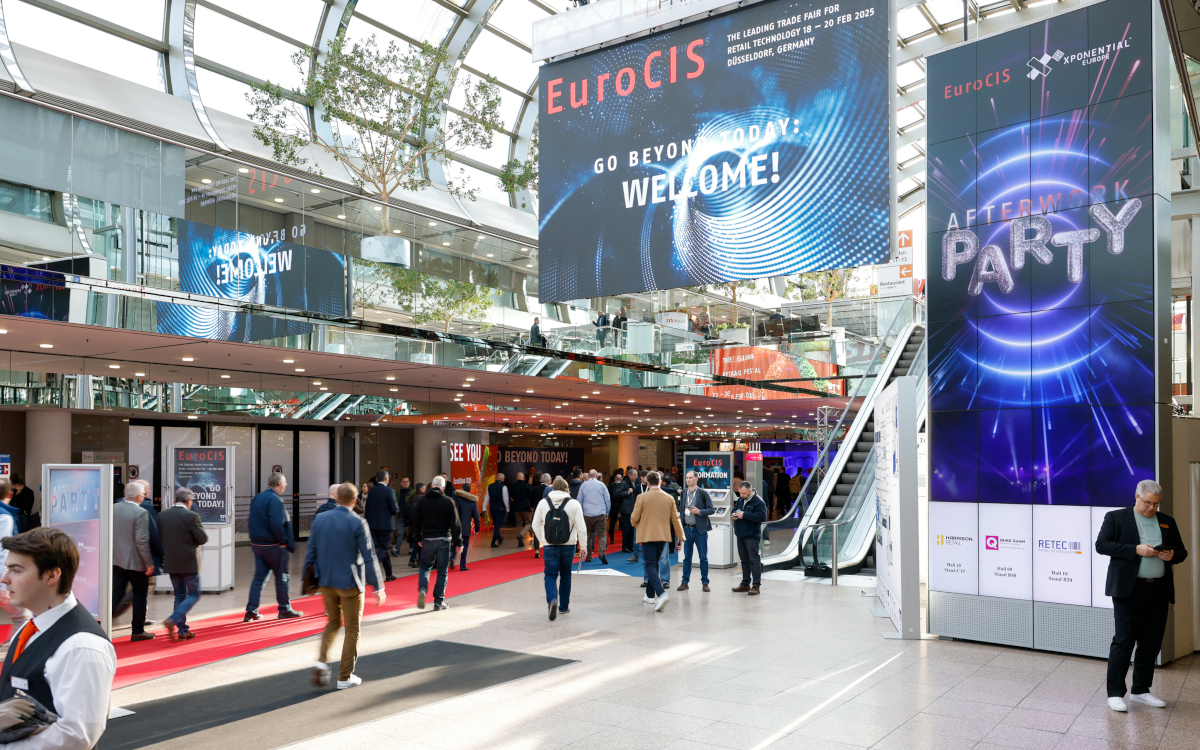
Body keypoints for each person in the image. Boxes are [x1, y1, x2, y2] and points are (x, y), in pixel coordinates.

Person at [0, 527, 116, 750]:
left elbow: (76, 736)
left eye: (16, 570)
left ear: (52, 575)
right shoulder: (33, 625)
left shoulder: (81, 646)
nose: (5, 579)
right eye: (7, 569)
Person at [1096, 479, 1189, 712]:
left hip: (1158, 590)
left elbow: (1181, 551)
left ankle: (1141, 690)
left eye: (1156, 504)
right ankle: (1115, 693)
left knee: (1151, 642)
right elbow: (1102, 545)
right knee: (1124, 641)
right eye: (1147, 503)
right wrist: (1134, 549)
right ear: (1136, 497)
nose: (1151, 508)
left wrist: (1172, 555)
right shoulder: (1116, 517)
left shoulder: (1167, 521)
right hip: (1129, 590)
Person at [306, 482, 386, 690]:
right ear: (354, 500)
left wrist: (310, 581)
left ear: (336, 498)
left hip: (326, 581)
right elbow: (369, 557)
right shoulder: (358, 522)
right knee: (352, 630)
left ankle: (321, 662)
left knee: (333, 622)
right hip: (350, 584)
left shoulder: (320, 519)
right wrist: (378, 587)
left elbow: (311, 552)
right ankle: (345, 676)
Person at [244, 472, 302, 621]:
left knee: (259, 578)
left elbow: (251, 520)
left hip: (257, 544)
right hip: (273, 545)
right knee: (282, 577)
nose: (286, 485)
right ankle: (284, 609)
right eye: (285, 482)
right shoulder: (275, 500)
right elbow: (277, 524)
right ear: (278, 484)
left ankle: (251, 610)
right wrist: (283, 541)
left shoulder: (258, 497)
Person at [158, 487, 209, 642]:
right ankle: (174, 620)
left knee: (179, 595)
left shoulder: (162, 516)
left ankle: (182, 630)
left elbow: (160, 538)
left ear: (175, 499)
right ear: (189, 501)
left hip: (172, 562)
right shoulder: (192, 516)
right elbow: (203, 539)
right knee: (194, 594)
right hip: (189, 563)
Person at [532, 477, 586, 620]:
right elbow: (581, 527)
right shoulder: (574, 503)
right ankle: (563, 607)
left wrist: (543, 540)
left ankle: (552, 600)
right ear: (566, 487)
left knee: (550, 575)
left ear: (553, 487)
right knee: (566, 575)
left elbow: (535, 525)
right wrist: (584, 546)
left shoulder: (543, 503)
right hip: (569, 546)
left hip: (550, 546)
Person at [631, 472, 684, 612]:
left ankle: (661, 594)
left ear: (647, 482)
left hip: (647, 535)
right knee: (654, 564)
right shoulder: (668, 497)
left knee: (650, 565)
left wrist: (638, 522)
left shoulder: (642, 497)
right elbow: (676, 519)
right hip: (663, 535)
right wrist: (681, 538)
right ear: (661, 482)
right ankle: (649, 595)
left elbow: (634, 518)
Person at [110, 483, 155, 641]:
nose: (144, 496)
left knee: (116, 593)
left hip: (116, 559)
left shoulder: (113, 508)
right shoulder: (140, 512)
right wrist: (148, 562)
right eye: (143, 493)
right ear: (138, 496)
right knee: (140, 594)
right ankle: (137, 631)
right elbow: (141, 541)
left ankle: (101, 626)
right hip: (136, 562)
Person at [414, 476, 461, 611]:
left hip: (427, 538)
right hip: (444, 539)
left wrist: (418, 538)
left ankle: (423, 590)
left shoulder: (422, 501)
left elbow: (416, 521)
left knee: (425, 567)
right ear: (443, 487)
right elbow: (455, 523)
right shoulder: (448, 501)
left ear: (431, 486)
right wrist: (459, 541)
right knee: (442, 571)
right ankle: (439, 602)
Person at [0, 478, 31, 636]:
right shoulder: (5, 517)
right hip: (1, 578)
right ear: (10, 494)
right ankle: (17, 655)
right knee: (22, 617)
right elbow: (3, 551)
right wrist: (3, 586)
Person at [678, 471, 715, 592]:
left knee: (703, 557)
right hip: (687, 529)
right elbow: (682, 509)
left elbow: (711, 509)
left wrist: (699, 511)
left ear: (696, 479)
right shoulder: (684, 493)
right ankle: (685, 582)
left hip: (700, 530)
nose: (688, 480)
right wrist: (681, 528)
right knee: (687, 557)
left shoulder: (703, 493)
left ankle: (705, 583)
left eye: (690, 478)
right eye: (687, 478)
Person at [732, 480, 768, 595]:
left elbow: (762, 517)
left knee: (754, 561)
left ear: (750, 491)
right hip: (740, 534)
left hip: (752, 536)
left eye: (743, 493)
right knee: (744, 560)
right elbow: (735, 509)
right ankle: (745, 583)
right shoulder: (740, 499)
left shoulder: (758, 502)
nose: (741, 496)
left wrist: (744, 514)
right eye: (740, 493)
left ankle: (756, 585)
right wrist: (734, 515)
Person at [363, 470, 399, 583]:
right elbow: (395, 509)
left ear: (377, 479)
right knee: (383, 549)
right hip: (386, 525)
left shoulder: (371, 492)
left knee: (381, 549)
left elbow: (367, 509)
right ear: (387, 479)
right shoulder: (389, 491)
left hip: (373, 525)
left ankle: (389, 574)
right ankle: (370, 573)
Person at [577, 470, 610, 564]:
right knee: (602, 535)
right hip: (600, 513)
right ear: (596, 475)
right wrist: (607, 512)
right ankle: (602, 553)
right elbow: (607, 499)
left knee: (588, 535)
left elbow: (579, 499)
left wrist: (581, 512)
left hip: (587, 514)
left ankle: (588, 556)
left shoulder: (583, 485)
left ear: (588, 476)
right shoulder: (602, 485)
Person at [452, 483, 480, 571]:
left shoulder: (456, 498)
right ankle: (462, 565)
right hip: (465, 527)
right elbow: (476, 517)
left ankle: (452, 557)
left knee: (455, 543)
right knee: (465, 545)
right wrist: (477, 528)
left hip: (455, 526)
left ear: (462, 489)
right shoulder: (473, 502)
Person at [626, 470, 646, 563]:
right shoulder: (638, 488)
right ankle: (636, 555)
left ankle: (647, 557)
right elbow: (635, 502)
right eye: (645, 477)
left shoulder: (651, 487)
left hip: (648, 515)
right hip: (639, 515)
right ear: (642, 477)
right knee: (636, 537)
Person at [485, 473, 509, 548]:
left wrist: (484, 508)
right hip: (500, 508)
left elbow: (486, 498)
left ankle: (499, 538)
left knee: (496, 524)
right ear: (502, 479)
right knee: (497, 525)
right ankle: (493, 541)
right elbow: (506, 499)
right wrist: (507, 508)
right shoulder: (503, 487)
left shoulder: (489, 486)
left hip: (492, 508)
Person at [392, 477, 414, 556]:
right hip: (400, 516)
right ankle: (397, 549)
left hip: (410, 517)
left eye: (407, 482)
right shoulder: (397, 493)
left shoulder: (413, 492)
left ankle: (411, 549)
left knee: (410, 533)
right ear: (401, 483)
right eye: (404, 482)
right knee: (400, 533)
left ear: (409, 482)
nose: (406, 483)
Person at [510, 472, 533, 549]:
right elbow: (530, 496)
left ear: (517, 477)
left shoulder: (513, 486)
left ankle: (520, 542)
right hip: (526, 507)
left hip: (516, 507)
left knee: (519, 523)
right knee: (528, 523)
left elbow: (512, 496)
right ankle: (521, 535)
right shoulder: (527, 485)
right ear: (523, 478)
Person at [404, 483, 424, 567]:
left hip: (411, 524)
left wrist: (406, 523)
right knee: (418, 542)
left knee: (418, 542)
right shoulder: (423, 498)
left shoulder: (410, 498)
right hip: (419, 524)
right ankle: (412, 560)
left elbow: (405, 510)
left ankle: (419, 560)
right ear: (421, 489)